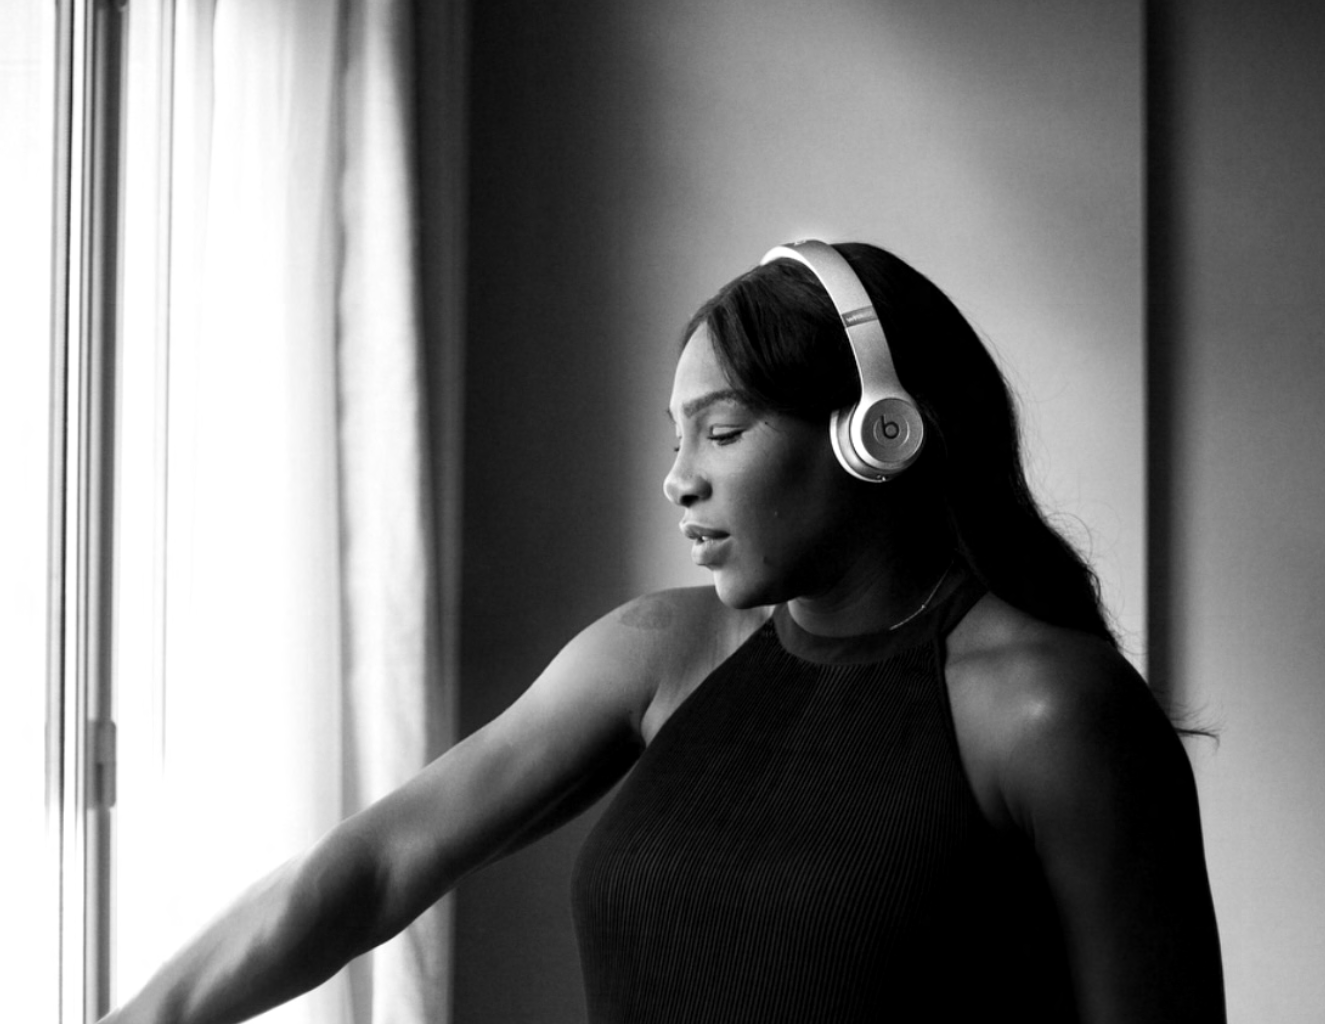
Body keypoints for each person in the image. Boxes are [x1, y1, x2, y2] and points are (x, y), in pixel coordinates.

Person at [101, 241, 1224, 1023]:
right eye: (675, 437)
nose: (677, 479)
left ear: (877, 433)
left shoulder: (1044, 708)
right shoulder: (656, 654)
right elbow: (372, 867)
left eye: (721, 431)